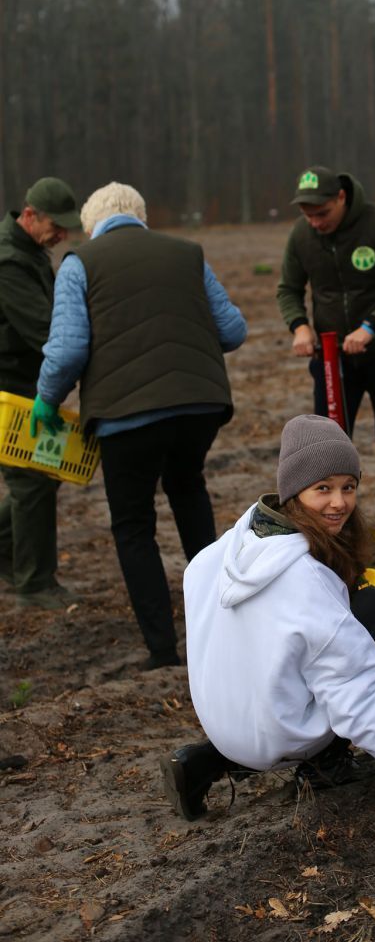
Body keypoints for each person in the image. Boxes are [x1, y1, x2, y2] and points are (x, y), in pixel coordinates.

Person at [160, 414, 375, 821]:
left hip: (225, 722)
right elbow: (360, 694)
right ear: (294, 490)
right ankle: (325, 766)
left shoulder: (223, 552)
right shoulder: (304, 582)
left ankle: (206, 760)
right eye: (323, 489)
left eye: (348, 487)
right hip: (278, 734)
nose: (339, 503)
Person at [33, 182, 247, 668]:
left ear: (92, 225)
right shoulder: (188, 253)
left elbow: (68, 349)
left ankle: (163, 649)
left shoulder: (79, 264)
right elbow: (233, 329)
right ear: (141, 216)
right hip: (200, 406)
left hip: (126, 417)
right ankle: (222, 626)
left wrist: (47, 399)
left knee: (133, 526)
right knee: (189, 492)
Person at [277, 166, 375, 551]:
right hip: (331, 361)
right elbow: (289, 288)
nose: (315, 222)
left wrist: (372, 326)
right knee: (324, 451)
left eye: (322, 213)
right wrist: (299, 326)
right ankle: (328, 531)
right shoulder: (302, 234)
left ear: (341, 198)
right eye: (308, 215)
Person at [0, 177, 81, 609]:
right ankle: (35, 583)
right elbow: (43, 330)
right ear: (29, 215)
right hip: (8, 386)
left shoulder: (28, 250)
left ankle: (7, 551)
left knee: (40, 479)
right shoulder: (9, 262)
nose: (62, 235)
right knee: (31, 481)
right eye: (56, 225)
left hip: (25, 380)